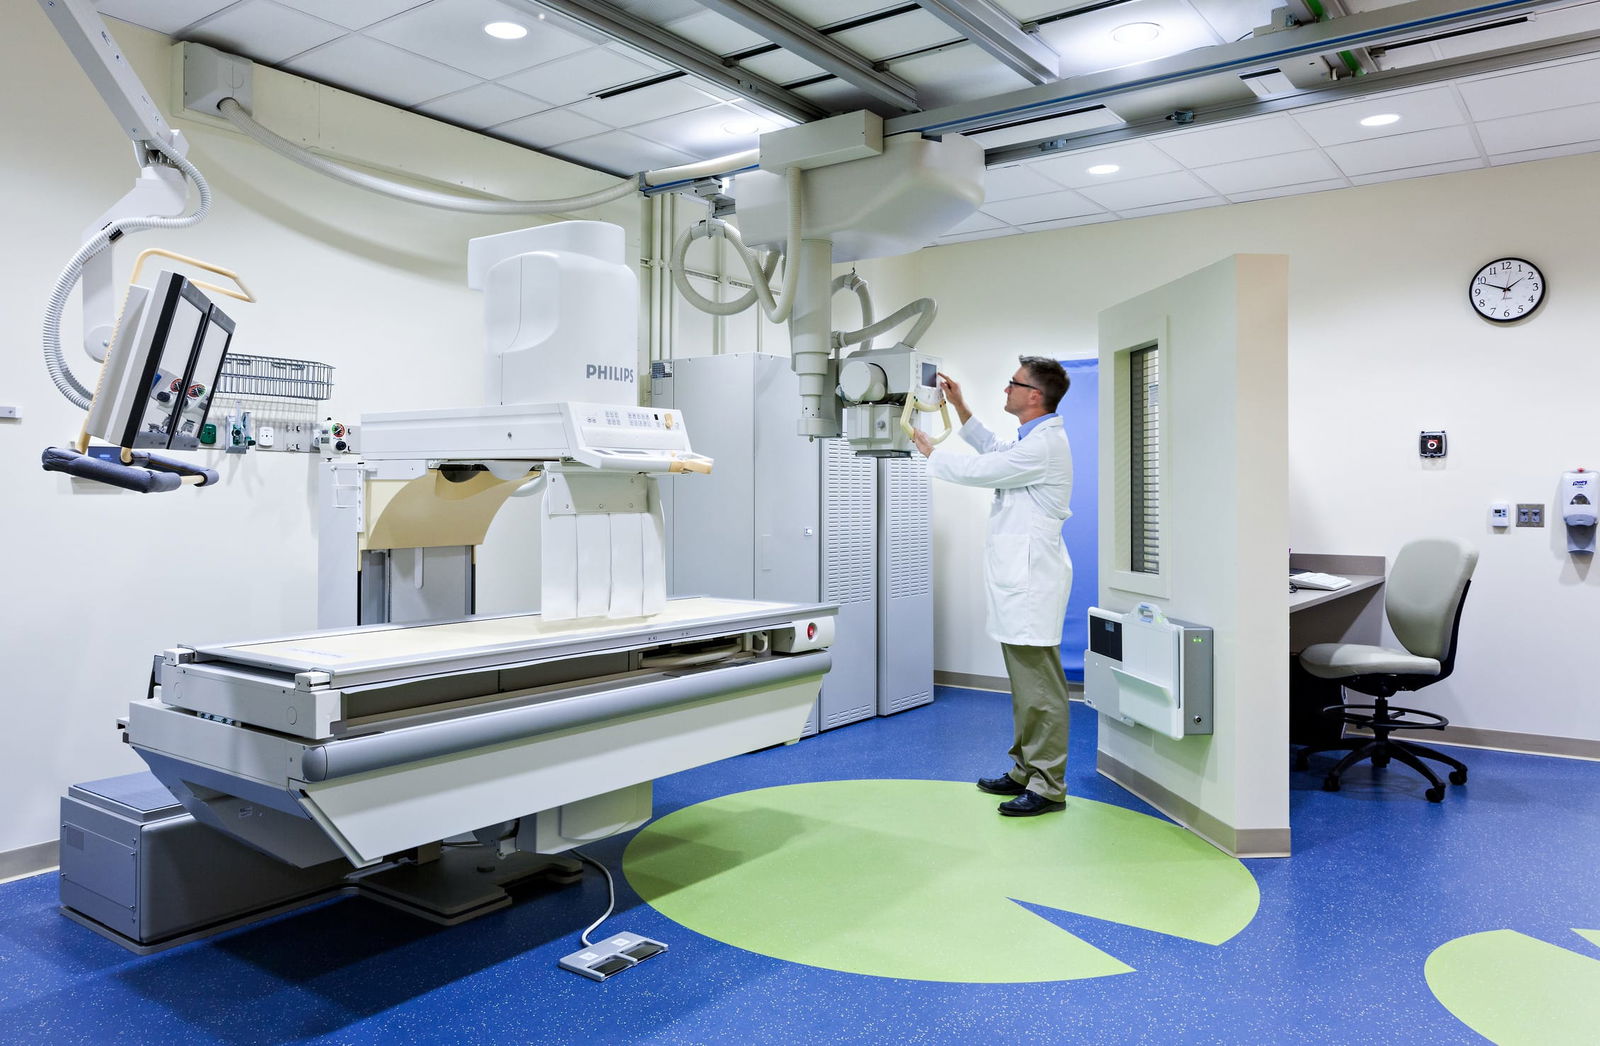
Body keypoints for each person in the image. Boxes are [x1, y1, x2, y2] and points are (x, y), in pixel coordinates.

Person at [910, 357, 1073, 816]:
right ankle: (1024, 769)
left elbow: (985, 471)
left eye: (1013, 384)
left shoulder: (1043, 447)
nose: (1007, 389)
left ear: (1034, 396)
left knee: (1040, 687)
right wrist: (960, 407)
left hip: (1031, 582)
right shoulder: (1031, 439)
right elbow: (994, 448)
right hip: (1018, 581)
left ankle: (1047, 785)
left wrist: (932, 454)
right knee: (1025, 684)